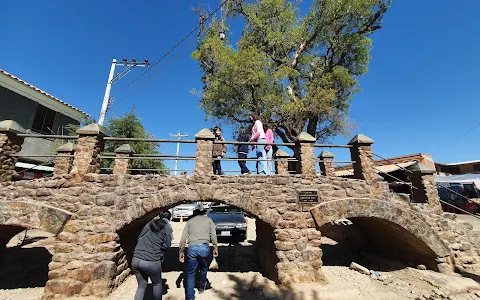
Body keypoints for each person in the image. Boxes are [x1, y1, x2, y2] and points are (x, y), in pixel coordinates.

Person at [179, 208, 218, 300]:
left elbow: (183, 238)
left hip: (192, 248)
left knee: (190, 273)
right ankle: (201, 287)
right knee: (204, 268)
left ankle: (190, 297)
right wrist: (215, 247)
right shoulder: (209, 220)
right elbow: (213, 235)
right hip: (204, 247)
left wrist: (181, 252)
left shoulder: (189, 221)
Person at [132, 216, 171, 300]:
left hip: (136, 258)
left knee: (141, 287)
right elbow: (167, 245)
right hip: (151, 260)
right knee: (157, 284)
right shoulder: (166, 228)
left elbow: (139, 238)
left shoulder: (148, 225)